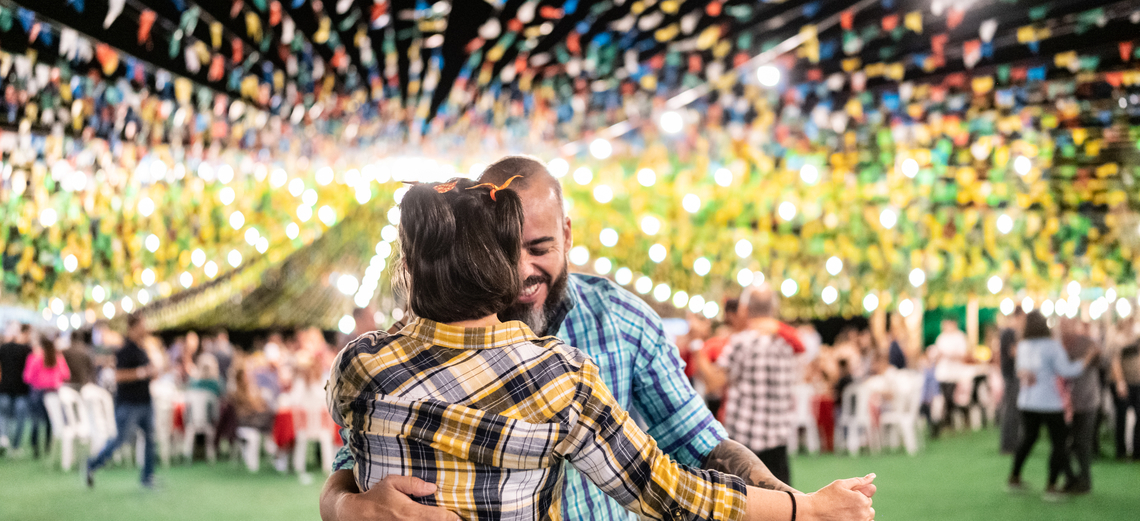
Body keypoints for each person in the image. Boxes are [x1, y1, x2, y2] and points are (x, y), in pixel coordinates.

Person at [321, 156, 874, 521]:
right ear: (481, 256)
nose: (521, 272)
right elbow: (668, 490)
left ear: (566, 233)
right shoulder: (562, 376)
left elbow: (702, 447)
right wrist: (350, 508)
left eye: (537, 247)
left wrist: (794, 503)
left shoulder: (361, 362)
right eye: (505, 252)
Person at [693, 284, 797, 486]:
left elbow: (714, 383)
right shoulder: (789, 342)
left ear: (745, 308)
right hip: (778, 443)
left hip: (744, 445)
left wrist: (698, 347)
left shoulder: (741, 342)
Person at [1008, 311, 1093, 497]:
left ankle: (1014, 477)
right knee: (1058, 443)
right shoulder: (1052, 346)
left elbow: (1020, 371)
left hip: (1026, 401)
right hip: (1049, 402)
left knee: (1028, 438)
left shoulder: (1023, 346)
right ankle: (1051, 485)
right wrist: (1085, 360)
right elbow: (1066, 370)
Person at [85, 314, 158, 489]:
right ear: (133, 327)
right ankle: (92, 464)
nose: (145, 328)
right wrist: (142, 373)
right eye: (142, 324)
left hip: (144, 401)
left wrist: (151, 373)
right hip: (129, 403)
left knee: (150, 438)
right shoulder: (125, 350)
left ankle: (147, 476)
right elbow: (119, 376)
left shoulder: (142, 349)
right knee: (121, 439)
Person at [1058, 319, 1099, 494]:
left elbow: (1098, 362)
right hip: (1066, 404)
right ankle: (1072, 479)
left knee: (1081, 444)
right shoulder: (1058, 346)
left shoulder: (1087, 343)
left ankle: (1083, 481)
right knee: (1063, 445)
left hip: (1086, 401)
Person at [23, 337, 71, 458]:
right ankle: (48, 447)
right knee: (51, 420)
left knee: (36, 420)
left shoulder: (35, 358)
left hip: (38, 392)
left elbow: (27, 377)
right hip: (53, 392)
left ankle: (35, 448)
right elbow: (66, 374)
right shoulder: (58, 358)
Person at [930, 318, 969, 435]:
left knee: (951, 398)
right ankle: (948, 422)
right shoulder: (941, 338)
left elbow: (962, 355)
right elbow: (937, 355)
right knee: (945, 398)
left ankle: (962, 412)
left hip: (955, 374)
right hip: (942, 374)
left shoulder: (960, 337)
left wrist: (948, 355)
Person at [1108, 318, 1139, 460]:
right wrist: (1120, 382)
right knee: (1121, 417)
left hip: (1137, 382)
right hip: (1124, 384)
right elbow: (1115, 362)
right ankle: (1121, 451)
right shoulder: (1118, 340)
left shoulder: (1137, 339)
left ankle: (1137, 451)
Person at [0, 324, 33, 456]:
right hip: (21, 389)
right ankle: (15, 446)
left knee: (4, 416)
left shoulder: (2, 349)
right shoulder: (26, 350)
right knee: (20, 419)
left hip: (4, 387)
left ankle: (3, 438)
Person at [998, 309, 1025, 454]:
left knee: (1013, 410)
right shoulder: (1010, 333)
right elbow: (1013, 352)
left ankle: (1012, 442)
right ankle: (1009, 444)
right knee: (1012, 410)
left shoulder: (1008, 332)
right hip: (1012, 375)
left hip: (1012, 375)